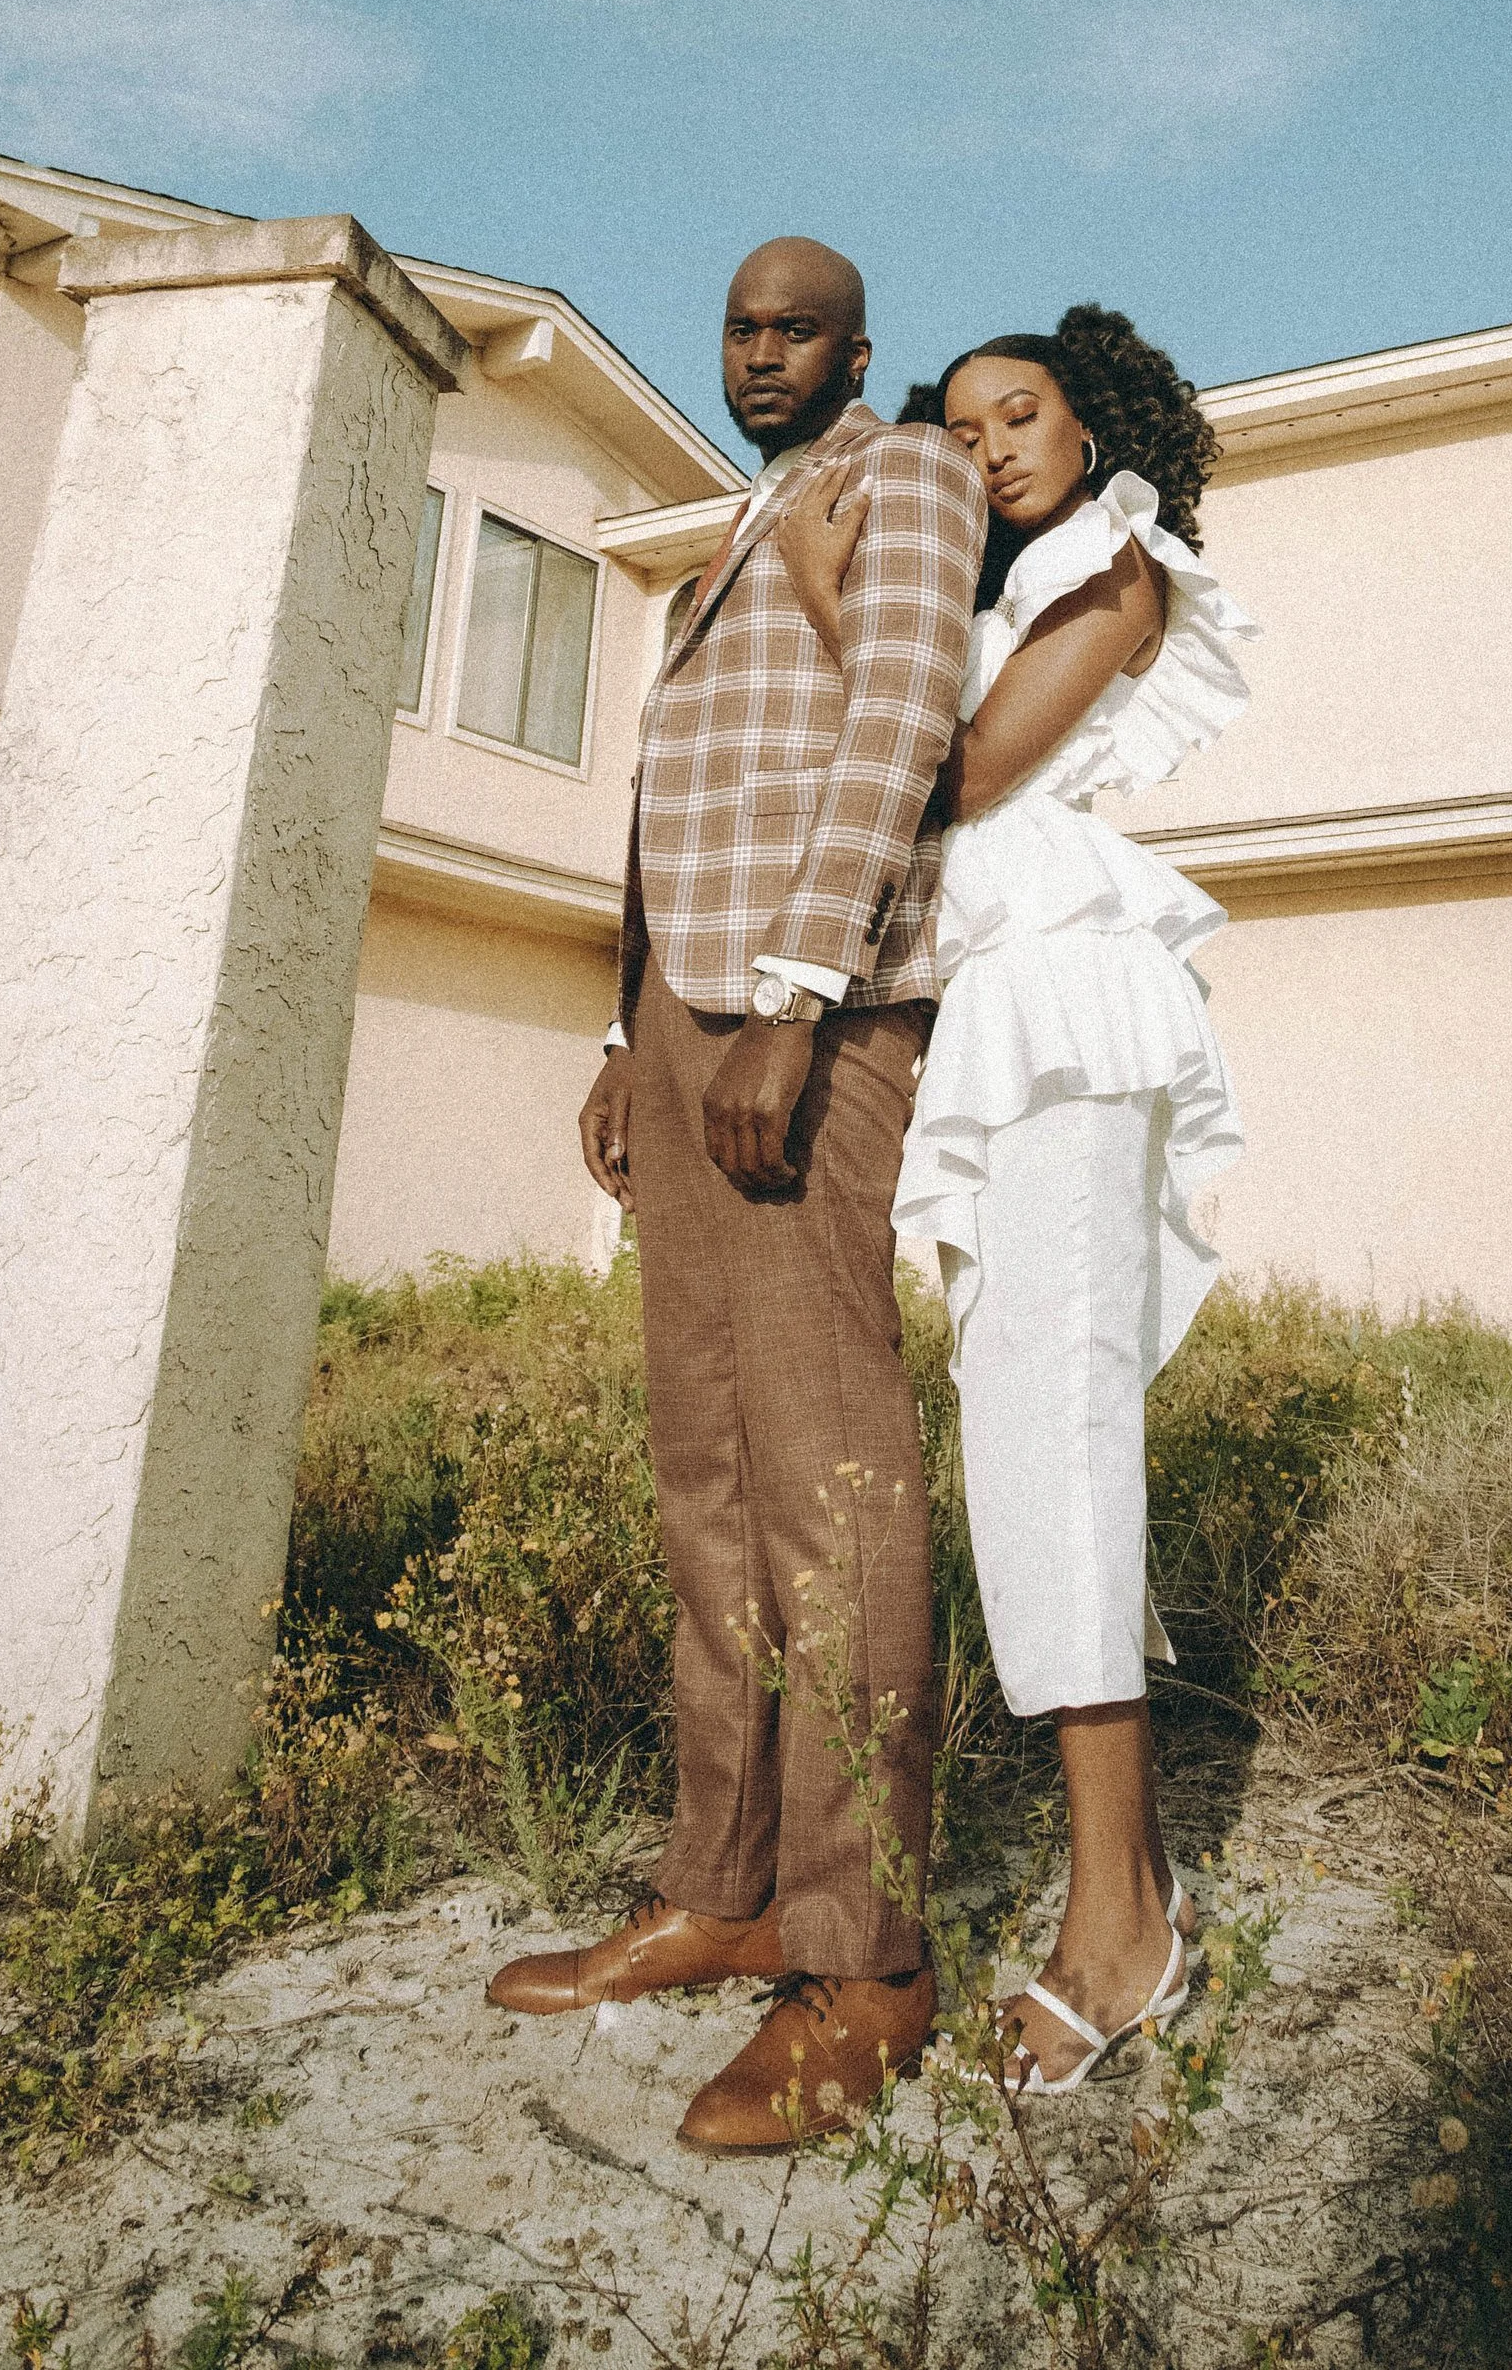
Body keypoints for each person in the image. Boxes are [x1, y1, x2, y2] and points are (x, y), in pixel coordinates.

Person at [483, 237, 985, 2155]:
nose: (758, 351)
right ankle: (726, 1883)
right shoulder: (730, 529)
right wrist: (629, 1030)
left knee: (829, 1473)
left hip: (812, 1013)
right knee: (706, 1468)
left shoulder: (905, 475)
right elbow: (664, 795)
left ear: (861, 349)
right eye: (737, 325)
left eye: (796, 329)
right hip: (682, 1022)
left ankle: (867, 1957)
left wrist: (792, 1001)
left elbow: (898, 733)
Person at [777, 305, 1253, 2098]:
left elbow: (958, 778)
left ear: (1091, 418)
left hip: (1064, 1006)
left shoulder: (1111, 571)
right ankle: (1126, 1893)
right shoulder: (1003, 597)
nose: (986, 446)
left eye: (1020, 411)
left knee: (1052, 1442)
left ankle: (1122, 1925)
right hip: (1003, 1021)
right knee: (1036, 1443)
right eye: (958, 427)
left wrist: (840, 616)